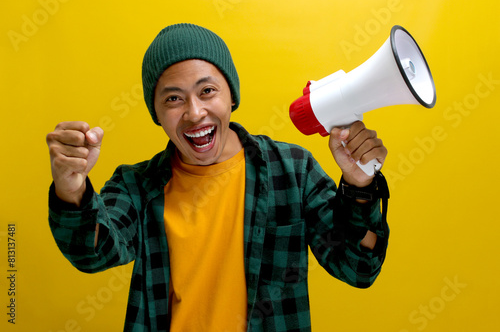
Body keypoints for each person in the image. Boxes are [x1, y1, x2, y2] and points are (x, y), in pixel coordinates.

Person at [46, 23, 390, 332]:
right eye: (173, 98)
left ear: (231, 95)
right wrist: (71, 186)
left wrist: (360, 186)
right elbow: (94, 254)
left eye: (207, 91)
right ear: (158, 114)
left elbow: (357, 268)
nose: (194, 113)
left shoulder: (294, 170)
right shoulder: (136, 186)